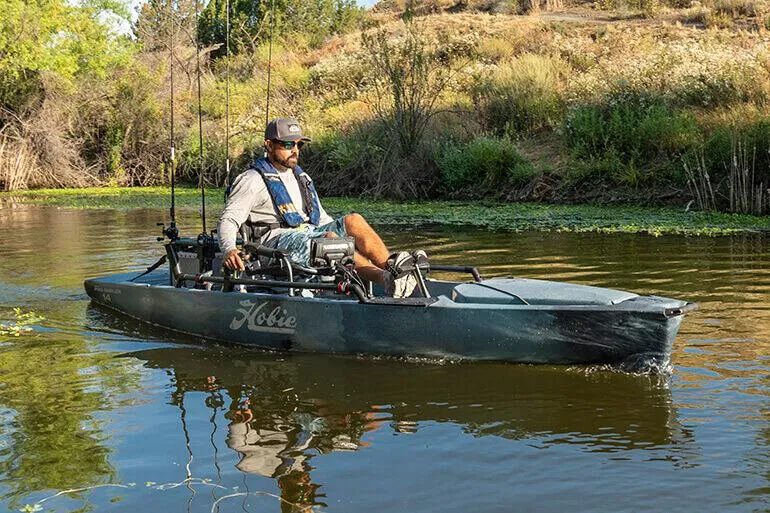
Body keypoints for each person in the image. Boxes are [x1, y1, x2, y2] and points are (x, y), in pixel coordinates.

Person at [217, 117, 419, 298]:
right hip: (271, 246)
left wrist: (344, 235)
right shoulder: (251, 180)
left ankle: (395, 270)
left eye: (299, 145)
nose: (295, 150)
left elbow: (321, 219)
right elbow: (228, 220)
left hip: (309, 234)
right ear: (269, 145)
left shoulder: (302, 178)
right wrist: (229, 250)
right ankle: (384, 279)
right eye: (288, 144)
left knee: (353, 221)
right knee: (329, 241)